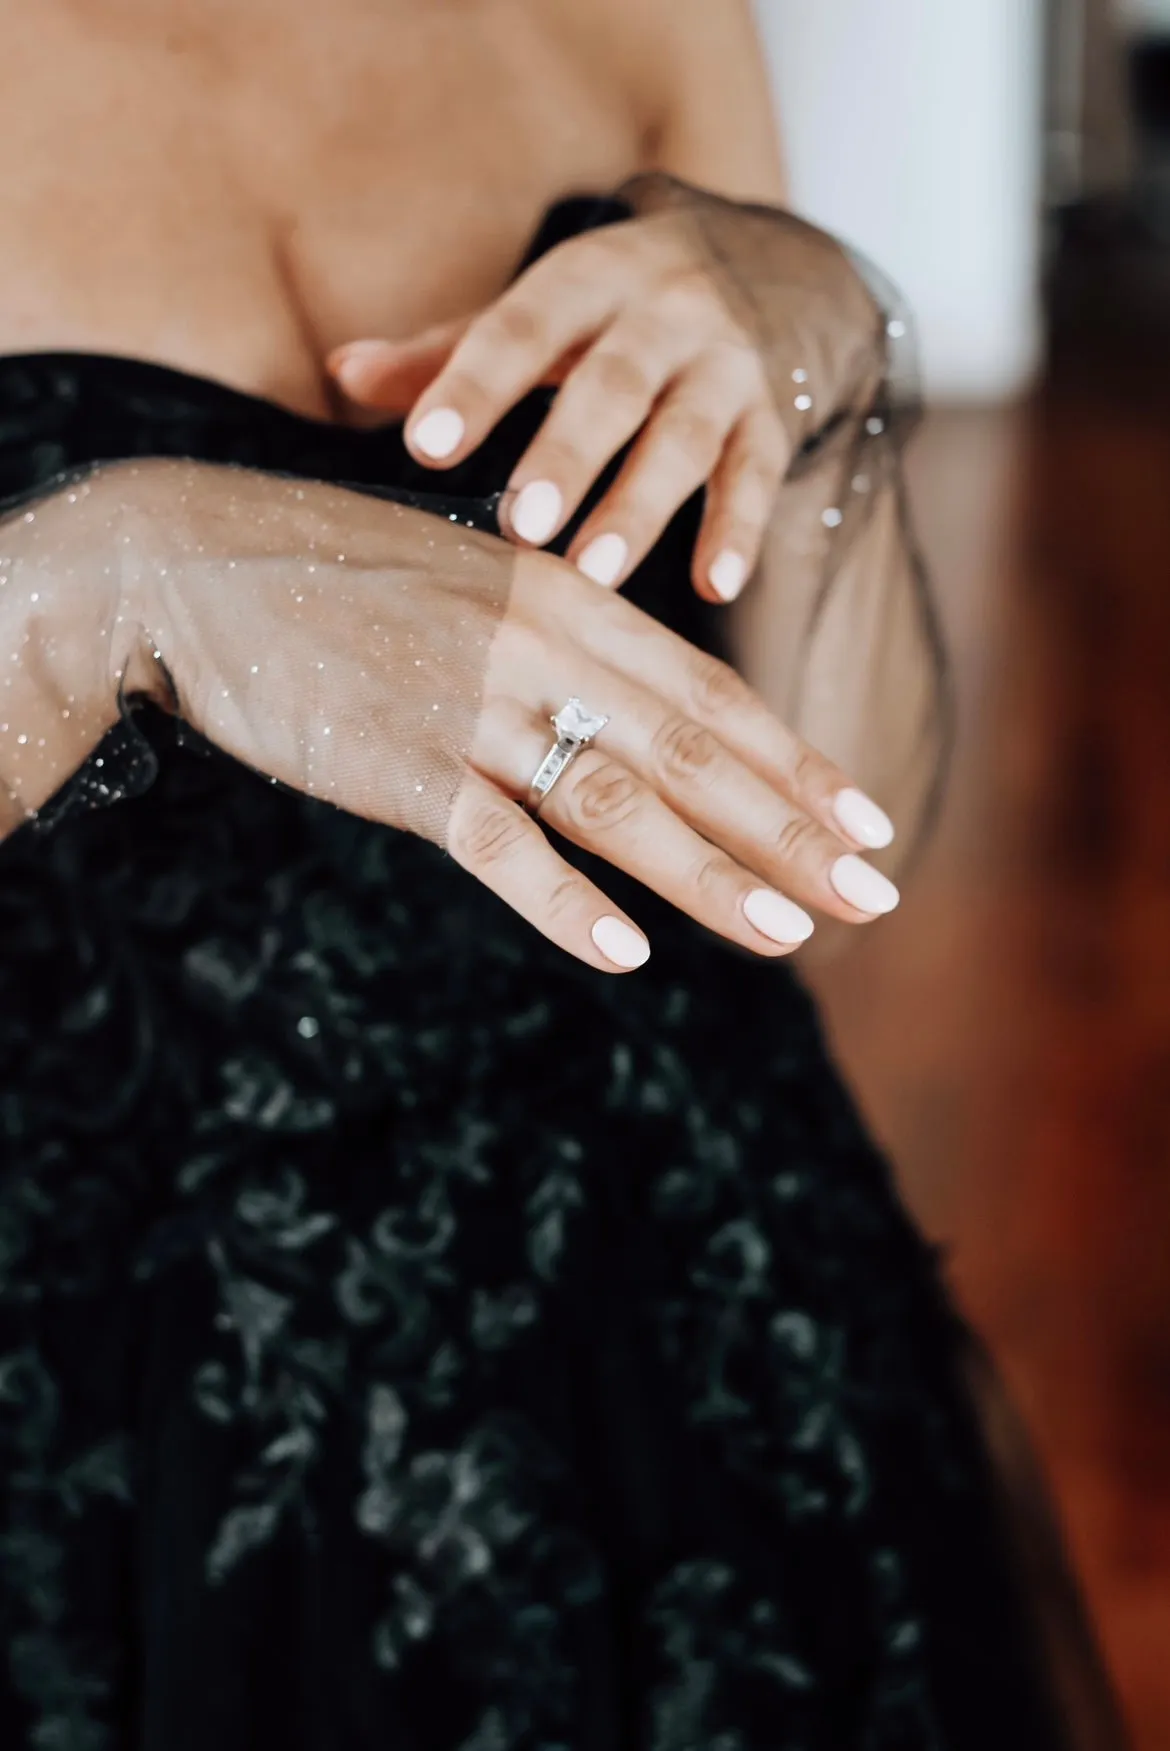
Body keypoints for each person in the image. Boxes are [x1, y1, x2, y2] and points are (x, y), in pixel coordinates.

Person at [0, 3, 1121, 1748]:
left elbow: (833, 837)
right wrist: (93, 592)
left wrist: (832, 369)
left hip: (691, 1295)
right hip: (109, 1421)